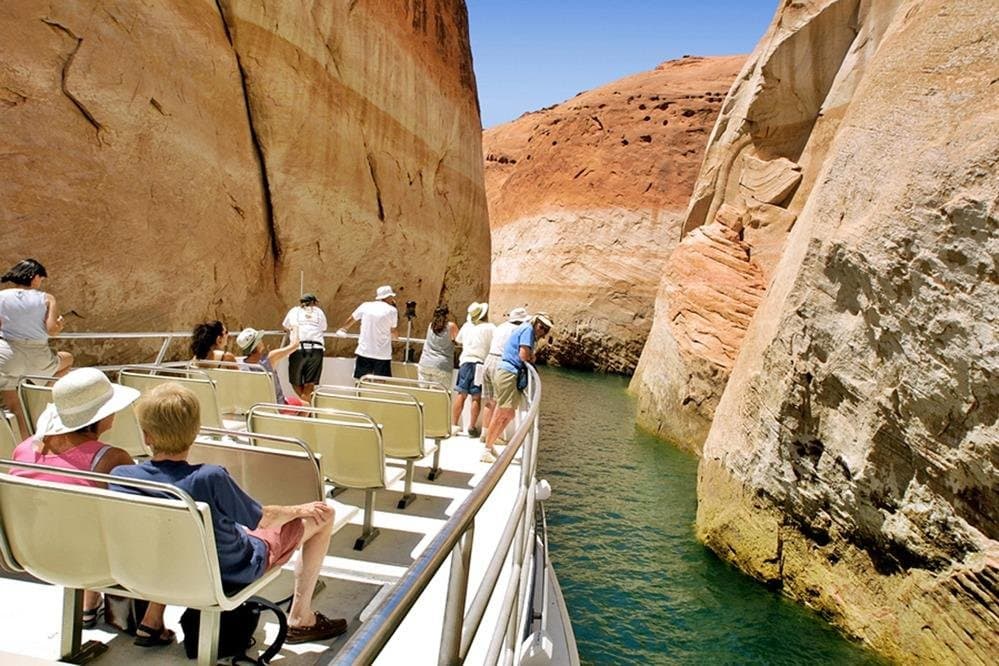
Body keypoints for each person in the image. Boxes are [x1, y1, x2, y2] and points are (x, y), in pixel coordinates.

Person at [110, 383, 346, 644]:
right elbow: (264, 519)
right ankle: (301, 618)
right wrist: (300, 509)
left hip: (161, 569)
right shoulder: (210, 477)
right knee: (323, 517)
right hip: (230, 570)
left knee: (170, 537)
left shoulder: (122, 478)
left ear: (146, 436)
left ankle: (152, 620)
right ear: (195, 431)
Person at [11, 368, 171, 645]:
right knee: (171, 525)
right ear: (100, 415)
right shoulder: (111, 460)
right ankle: (152, 620)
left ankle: (88, 603)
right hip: (90, 563)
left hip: (31, 555)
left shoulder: (24, 450)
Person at [0, 258, 73, 437]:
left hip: (7, 355)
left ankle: (24, 448)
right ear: (34, 277)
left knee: (14, 407)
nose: (41, 283)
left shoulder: (1, 296)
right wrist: (60, 324)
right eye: (41, 278)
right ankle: (39, 395)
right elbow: (52, 330)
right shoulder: (47, 298)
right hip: (38, 357)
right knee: (68, 359)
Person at [482, 313, 553, 463]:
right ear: (535, 322)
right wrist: (531, 357)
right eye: (541, 326)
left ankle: (491, 443)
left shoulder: (527, 330)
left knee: (509, 414)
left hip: (510, 373)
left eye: (546, 329)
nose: (542, 330)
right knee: (502, 412)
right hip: (508, 373)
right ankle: (487, 448)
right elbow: (523, 355)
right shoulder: (527, 330)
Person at [480, 307, 529, 444]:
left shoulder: (500, 327)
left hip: (488, 360)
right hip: (501, 363)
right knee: (500, 402)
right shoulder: (517, 330)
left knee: (489, 400)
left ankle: (484, 433)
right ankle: (494, 437)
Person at [235, 327, 307, 410]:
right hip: (277, 406)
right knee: (306, 406)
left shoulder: (241, 364)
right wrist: (295, 328)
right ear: (257, 343)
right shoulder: (270, 359)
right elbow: (295, 345)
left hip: (255, 408)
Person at [336, 285, 398, 379]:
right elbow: (393, 330)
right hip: (382, 354)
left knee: (360, 380)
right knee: (380, 382)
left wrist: (343, 329)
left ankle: (358, 393)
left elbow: (352, 319)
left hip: (364, 351)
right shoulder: (392, 310)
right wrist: (396, 338)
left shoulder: (365, 306)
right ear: (388, 297)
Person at [452, 302, 494, 437]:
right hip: (480, 364)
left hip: (465, 362)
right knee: (476, 396)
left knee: (461, 394)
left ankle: (454, 424)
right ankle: (472, 426)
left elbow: (458, 340)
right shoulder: (490, 328)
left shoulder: (467, 326)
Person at [282, 294, 327, 401]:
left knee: (294, 382)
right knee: (310, 384)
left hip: (297, 349)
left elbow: (285, 326)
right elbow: (324, 327)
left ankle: (306, 408)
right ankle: (307, 407)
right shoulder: (319, 312)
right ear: (314, 302)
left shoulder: (294, 311)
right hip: (316, 349)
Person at [417, 305, 457, 388]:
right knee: (439, 397)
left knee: (423, 393)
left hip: (425, 363)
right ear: (447, 314)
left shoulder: (431, 326)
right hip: (441, 365)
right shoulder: (451, 326)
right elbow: (460, 339)